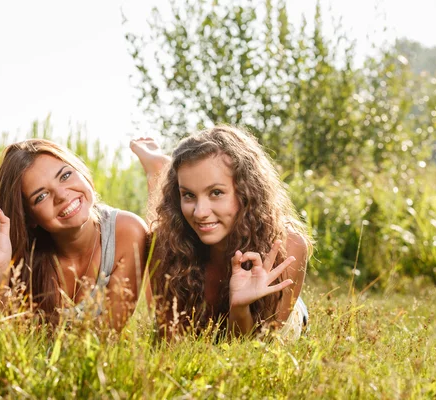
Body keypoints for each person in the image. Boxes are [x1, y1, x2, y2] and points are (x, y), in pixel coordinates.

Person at [130, 126, 312, 339]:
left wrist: (240, 308)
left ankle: (160, 169)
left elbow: (255, 349)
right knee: (160, 232)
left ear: (246, 192)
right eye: (188, 195)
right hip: (176, 249)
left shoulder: (287, 245)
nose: (200, 212)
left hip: (278, 328)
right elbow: (170, 337)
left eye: (216, 192)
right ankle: (158, 171)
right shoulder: (167, 241)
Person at [0, 139, 148, 329]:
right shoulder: (25, 260)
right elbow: (4, 345)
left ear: (82, 173)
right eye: (41, 196)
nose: (61, 195)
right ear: (30, 217)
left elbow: (107, 337)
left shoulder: (128, 232)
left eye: (65, 176)